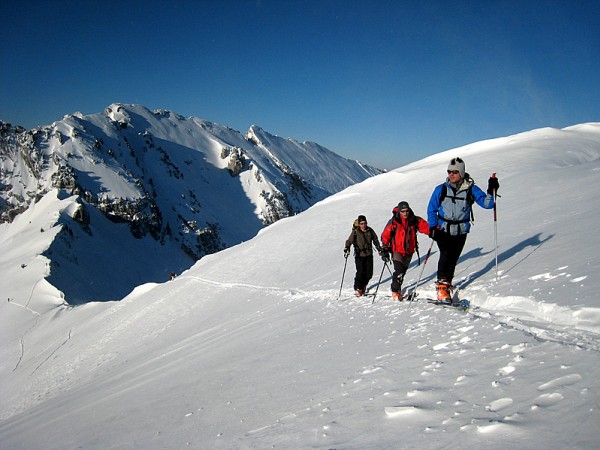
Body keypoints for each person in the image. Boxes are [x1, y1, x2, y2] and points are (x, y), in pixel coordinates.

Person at [427, 157, 499, 301]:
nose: (451, 174)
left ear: (461, 172)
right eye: (449, 171)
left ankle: (448, 282)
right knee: (445, 254)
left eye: (454, 172)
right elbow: (431, 209)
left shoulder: (471, 189)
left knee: (453, 257)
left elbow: (487, 204)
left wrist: (491, 190)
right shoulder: (441, 189)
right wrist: (433, 227)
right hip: (443, 229)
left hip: (461, 230)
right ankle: (441, 287)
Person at [381, 201, 430, 301]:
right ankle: (395, 291)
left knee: (402, 272)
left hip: (409, 250)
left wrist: (434, 232)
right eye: (403, 211)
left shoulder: (414, 220)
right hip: (397, 250)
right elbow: (385, 235)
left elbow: (425, 227)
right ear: (399, 211)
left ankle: (397, 289)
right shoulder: (394, 221)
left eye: (407, 211)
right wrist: (385, 248)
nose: (405, 213)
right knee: (399, 271)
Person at [344, 215, 383, 297]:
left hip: (369, 254)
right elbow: (349, 241)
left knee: (369, 273)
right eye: (361, 223)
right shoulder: (355, 232)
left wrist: (379, 248)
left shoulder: (370, 230)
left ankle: (363, 285)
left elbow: (375, 240)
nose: (363, 225)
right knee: (360, 272)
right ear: (359, 224)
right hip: (359, 255)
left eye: (365, 223)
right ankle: (358, 288)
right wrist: (347, 248)